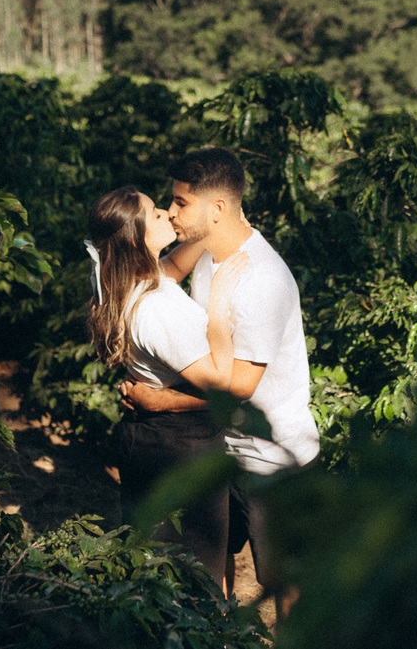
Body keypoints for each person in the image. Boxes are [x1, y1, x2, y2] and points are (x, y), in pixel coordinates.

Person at [123, 147, 320, 615]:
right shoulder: (207, 252)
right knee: (214, 571)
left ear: (216, 209)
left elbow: (237, 390)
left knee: (283, 586)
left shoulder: (264, 280)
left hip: (274, 461)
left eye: (180, 203)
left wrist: (159, 401)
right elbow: (162, 275)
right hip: (220, 450)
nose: (171, 211)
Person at [85, 185, 247, 589]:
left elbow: (170, 270)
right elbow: (222, 380)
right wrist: (219, 303)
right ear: (137, 238)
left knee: (152, 563)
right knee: (189, 576)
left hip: (146, 440)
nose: (168, 214)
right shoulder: (157, 307)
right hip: (181, 450)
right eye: (157, 214)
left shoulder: (114, 274)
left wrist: (204, 233)